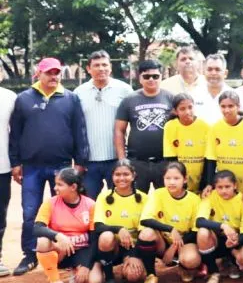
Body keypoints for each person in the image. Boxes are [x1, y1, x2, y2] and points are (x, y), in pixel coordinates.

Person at [10, 57, 90, 276]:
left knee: (62, 211)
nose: (53, 77)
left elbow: (79, 131)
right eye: (49, 73)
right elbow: (15, 133)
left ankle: (69, 254)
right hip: (32, 166)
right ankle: (29, 254)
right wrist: (15, 162)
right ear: (39, 74)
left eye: (57, 73)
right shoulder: (24, 98)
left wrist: (81, 161)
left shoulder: (70, 98)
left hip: (62, 165)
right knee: (30, 211)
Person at [136, 162, 202, 283]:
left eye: (176, 178)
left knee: (191, 260)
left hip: (184, 241)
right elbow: (145, 219)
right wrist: (170, 229)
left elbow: (195, 231)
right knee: (146, 233)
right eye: (168, 178)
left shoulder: (194, 199)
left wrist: (173, 249)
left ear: (184, 179)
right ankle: (151, 275)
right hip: (163, 241)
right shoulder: (158, 194)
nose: (171, 182)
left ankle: (183, 266)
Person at [75, 50, 132, 198]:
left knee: (119, 201)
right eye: (96, 65)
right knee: (88, 202)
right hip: (89, 161)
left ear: (110, 67)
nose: (101, 68)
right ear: (88, 69)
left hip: (116, 158)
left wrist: (125, 158)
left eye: (104, 65)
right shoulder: (79, 93)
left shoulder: (124, 90)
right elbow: (75, 126)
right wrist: (79, 159)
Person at [32, 168, 94, 283]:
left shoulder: (90, 205)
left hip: (82, 250)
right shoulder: (51, 203)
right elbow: (37, 228)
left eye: (60, 184)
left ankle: (76, 269)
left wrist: (86, 265)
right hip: (60, 250)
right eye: (56, 184)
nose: (55, 188)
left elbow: (94, 238)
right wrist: (58, 236)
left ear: (73, 187)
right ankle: (55, 281)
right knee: (42, 242)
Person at [115, 59, 172, 193]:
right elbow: (119, 130)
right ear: (139, 78)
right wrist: (122, 160)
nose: (151, 79)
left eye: (155, 76)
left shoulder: (170, 98)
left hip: (164, 162)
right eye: (146, 76)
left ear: (161, 77)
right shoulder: (129, 100)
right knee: (136, 201)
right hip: (137, 162)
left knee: (166, 201)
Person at [89, 160, 146, 283]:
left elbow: (146, 230)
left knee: (134, 276)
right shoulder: (104, 197)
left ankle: (127, 265)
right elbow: (98, 227)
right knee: (106, 236)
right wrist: (118, 229)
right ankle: (109, 276)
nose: (121, 178)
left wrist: (134, 255)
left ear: (133, 176)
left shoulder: (144, 198)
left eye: (126, 174)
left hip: (132, 246)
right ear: (112, 176)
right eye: (117, 174)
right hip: (111, 246)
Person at [195, 170, 243, 283]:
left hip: (236, 240)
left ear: (235, 185)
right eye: (220, 187)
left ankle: (232, 262)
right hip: (217, 240)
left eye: (227, 186)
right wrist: (223, 226)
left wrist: (235, 243)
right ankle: (213, 272)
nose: (224, 191)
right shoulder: (210, 196)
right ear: (214, 187)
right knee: (203, 232)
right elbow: (199, 221)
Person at [204, 89, 243, 205]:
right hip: (224, 186)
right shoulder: (215, 127)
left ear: (238, 106)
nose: (227, 110)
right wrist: (209, 183)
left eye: (231, 106)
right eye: (223, 106)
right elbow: (211, 159)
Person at [162, 93, 210, 193]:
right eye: (182, 109)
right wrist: (180, 181)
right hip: (181, 177)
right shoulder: (170, 126)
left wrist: (205, 182)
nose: (187, 112)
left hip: (200, 175)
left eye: (190, 107)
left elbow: (209, 158)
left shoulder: (205, 126)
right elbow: (171, 158)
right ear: (175, 111)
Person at [0, 83, 17, 277]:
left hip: (2, 167)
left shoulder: (10, 97)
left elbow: (17, 132)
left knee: (0, 215)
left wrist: (16, 162)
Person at [191, 53, 230, 124]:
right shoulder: (193, 95)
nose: (213, 73)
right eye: (209, 69)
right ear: (203, 72)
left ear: (225, 73)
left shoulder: (234, 96)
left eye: (217, 69)